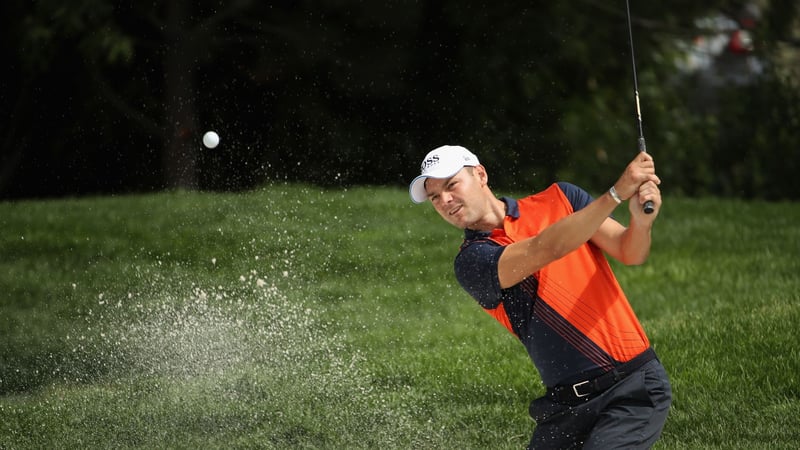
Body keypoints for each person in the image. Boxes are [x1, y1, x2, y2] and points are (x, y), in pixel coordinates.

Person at [408, 145, 672, 449]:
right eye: (435, 197)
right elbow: (545, 248)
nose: (446, 201)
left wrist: (641, 222)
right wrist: (615, 194)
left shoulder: (562, 198)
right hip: (565, 408)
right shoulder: (472, 261)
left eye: (451, 185)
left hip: (631, 386)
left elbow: (630, 251)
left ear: (480, 174)